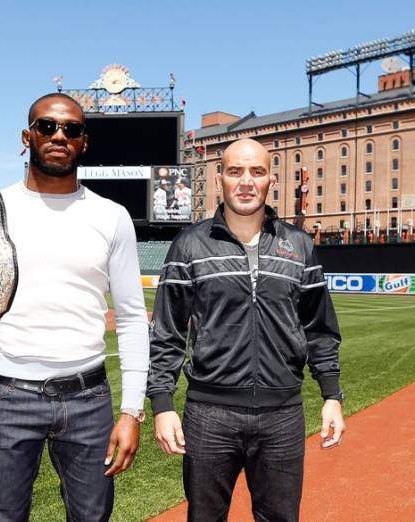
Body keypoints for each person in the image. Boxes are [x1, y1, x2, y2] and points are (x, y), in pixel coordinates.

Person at [0, 93, 150, 521]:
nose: (59, 135)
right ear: (27, 136)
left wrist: (132, 411)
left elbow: (133, 318)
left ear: (84, 142)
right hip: (9, 395)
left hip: (88, 398)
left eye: (71, 129)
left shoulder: (111, 216)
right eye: (47, 126)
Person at [147, 138, 346, 521]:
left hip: (282, 416)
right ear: (219, 177)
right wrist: (161, 403)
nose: (246, 181)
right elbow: (168, 333)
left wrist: (332, 396)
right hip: (209, 414)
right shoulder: (189, 245)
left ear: (271, 179)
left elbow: (319, 329)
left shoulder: (299, 246)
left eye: (256, 171)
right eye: (235, 171)